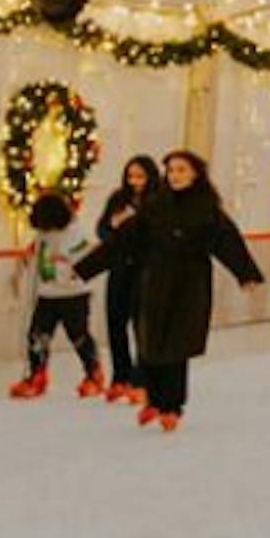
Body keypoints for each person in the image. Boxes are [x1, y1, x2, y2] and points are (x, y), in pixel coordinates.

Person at [69, 151, 263, 431]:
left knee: (176, 344)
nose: (175, 176)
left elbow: (227, 241)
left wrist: (245, 274)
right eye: (171, 170)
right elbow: (124, 240)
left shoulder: (206, 208)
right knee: (150, 340)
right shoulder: (155, 206)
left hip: (189, 284)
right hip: (154, 281)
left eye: (181, 170)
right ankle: (154, 399)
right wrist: (86, 267)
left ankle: (172, 405)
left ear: (195, 173)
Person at [7, 194, 105, 401]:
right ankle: (37, 375)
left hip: (74, 294)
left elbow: (84, 261)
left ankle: (93, 373)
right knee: (37, 334)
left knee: (78, 335)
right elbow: (38, 250)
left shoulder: (76, 235)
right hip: (47, 294)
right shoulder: (43, 233)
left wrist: (63, 268)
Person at [89, 156, 159, 404]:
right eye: (131, 176)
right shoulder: (118, 199)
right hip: (119, 267)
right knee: (115, 323)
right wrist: (114, 224)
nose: (135, 182)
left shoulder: (158, 201)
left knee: (142, 326)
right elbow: (102, 230)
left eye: (140, 176)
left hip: (145, 270)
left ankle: (142, 379)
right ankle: (121, 376)